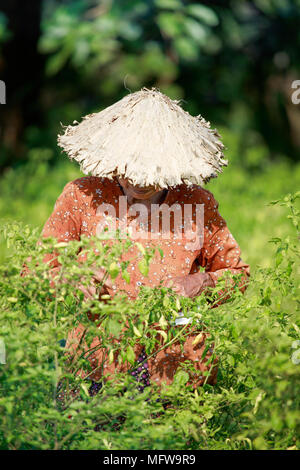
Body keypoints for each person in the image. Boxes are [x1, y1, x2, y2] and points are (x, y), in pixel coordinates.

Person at [41, 87, 250, 392]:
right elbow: (38, 270)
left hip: (176, 365)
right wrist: (73, 280)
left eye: (151, 172)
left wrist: (200, 284)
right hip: (96, 362)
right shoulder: (83, 196)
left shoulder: (197, 204)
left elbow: (237, 276)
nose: (138, 182)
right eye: (129, 169)